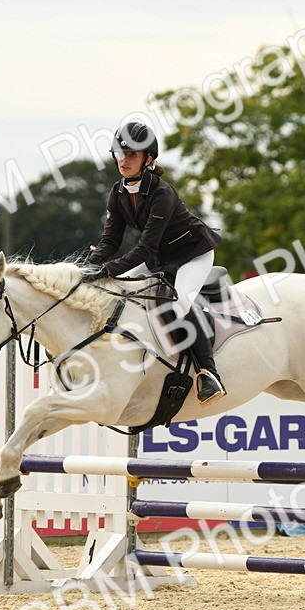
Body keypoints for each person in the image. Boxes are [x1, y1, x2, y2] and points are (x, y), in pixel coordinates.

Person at [84, 121, 226, 405]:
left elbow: (145, 248)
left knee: (178, 303)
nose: (123, 160)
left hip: (191, 253)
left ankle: (208, 374)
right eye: (119, 154)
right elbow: (110, 241)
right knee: (119, 291)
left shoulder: (161, 193)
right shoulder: (118, 192)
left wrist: (109, 269)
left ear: (148, 159)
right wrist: (88, 267)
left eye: (131, 155)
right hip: (161, 257)